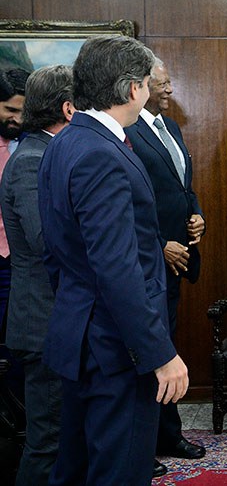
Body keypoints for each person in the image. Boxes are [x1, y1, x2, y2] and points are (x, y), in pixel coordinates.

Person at [38, 35, 188, 485]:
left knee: (79, 468)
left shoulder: (66, 143)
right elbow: (119, 268)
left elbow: (57, 254)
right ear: (132, 90)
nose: (149, 91)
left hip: (84, 335)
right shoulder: (102, 153)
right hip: (115, 348)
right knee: (120, 471)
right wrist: (159, 353)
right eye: (147, 82)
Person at [126, 58, 206, 467]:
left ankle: (168, 437)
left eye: (171, 81)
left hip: (177, 262)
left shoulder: (170, 128)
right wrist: (160, 245)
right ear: (140, 86)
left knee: (166, 346)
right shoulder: (126, 131)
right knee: (146, 352)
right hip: (148, 261)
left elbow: (180, 187)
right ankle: (142, 446)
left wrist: (196, 214)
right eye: (162, 83)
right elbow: (130, 207)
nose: (170, 89)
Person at [0, 65, 74, 485]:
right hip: (42, 323)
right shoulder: (32, 161)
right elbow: (47, 241)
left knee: (62, 437)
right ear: (67, 108)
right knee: (47, 441)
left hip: (53, 321)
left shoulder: (43, 153)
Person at [0, 68, 29, 331]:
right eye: (10, 110)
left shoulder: (36, 145)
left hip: (22, 264)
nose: (16, 119)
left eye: (23, 112)